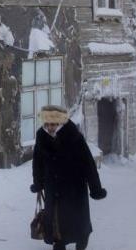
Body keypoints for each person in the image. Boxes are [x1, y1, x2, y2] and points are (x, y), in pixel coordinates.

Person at [30, 105, 106, 250]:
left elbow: (88, 164)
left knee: (79, 226)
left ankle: (81, 243)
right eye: (48, 124)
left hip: (74, 189)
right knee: (57, 228)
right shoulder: (41, 137)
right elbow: (37, 163)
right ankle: (59, 244)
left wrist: (95, 188)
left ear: (61, 123)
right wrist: (38, 183)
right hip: (53, 189)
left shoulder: (74, 137)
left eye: (54, 124)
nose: (51, 127)